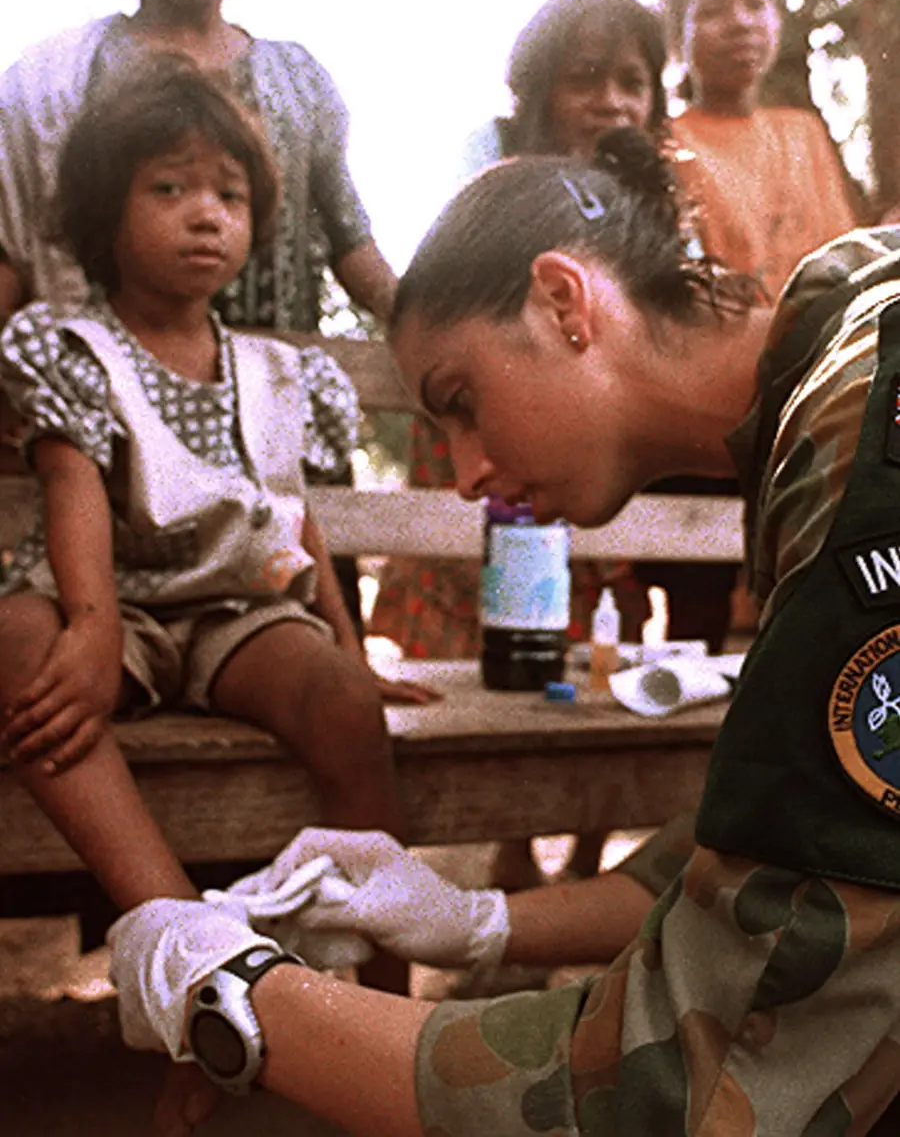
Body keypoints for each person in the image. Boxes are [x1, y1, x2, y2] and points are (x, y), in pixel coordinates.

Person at [110, 126, 900, 1135]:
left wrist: (236, 999)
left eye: (462, 403)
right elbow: (787, 853)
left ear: (564, 303)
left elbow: (679, 1094)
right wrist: (477, 922)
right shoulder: (837, 353)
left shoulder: (862, 449)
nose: (471, 474)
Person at [0, 57, 418, 1013]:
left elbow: (295, 521)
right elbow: (72, 489)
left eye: (229, 195)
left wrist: (349, 654)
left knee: (346, 706)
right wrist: (92, 627)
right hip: (110, 605)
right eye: (170, 188)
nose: (206, 214)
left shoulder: (279, 369)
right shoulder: (69, 345)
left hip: (237, 611)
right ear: (107, 209)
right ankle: (195, 950)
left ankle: (388, 997)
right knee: (21, 650)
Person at [0, 0, 400, 634]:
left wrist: (439, 327)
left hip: (264, 427)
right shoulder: (59, 76)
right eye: (169, 187)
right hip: (112, 434)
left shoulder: (297, 78)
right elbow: (9, 244)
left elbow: (350, 237)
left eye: (230, 196)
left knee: (296, 646)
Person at [371, 0, 666, 663]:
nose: (612, 102)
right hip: (484, 418)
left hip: (590, 450)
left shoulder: (655, 206)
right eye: (585, 79)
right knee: (469, 575)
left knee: (574, 598)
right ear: (539, 92)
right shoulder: (490, 171)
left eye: (632, 82)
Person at [631, 0, 860, 654]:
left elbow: (843, 263)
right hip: (713, 406)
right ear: (680, 37)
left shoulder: (805, 135)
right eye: (714, 10)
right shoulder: (661, 141)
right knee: (698, 618)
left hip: (811, 403)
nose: (740, 23)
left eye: (755, 4)